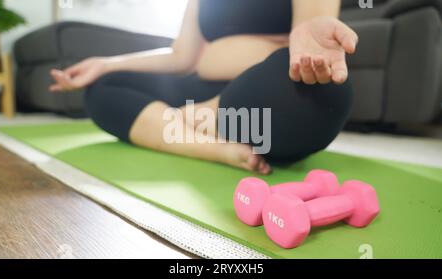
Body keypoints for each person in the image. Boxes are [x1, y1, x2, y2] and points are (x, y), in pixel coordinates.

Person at [49, 0, 359, 175]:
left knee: (324, 90)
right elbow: (181, 56)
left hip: (259, 94)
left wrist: (306, 42)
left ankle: (194, 119)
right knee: (104, 89)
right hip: (206, 91)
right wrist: (107, 64)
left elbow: (311, 41)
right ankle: (216, 147)